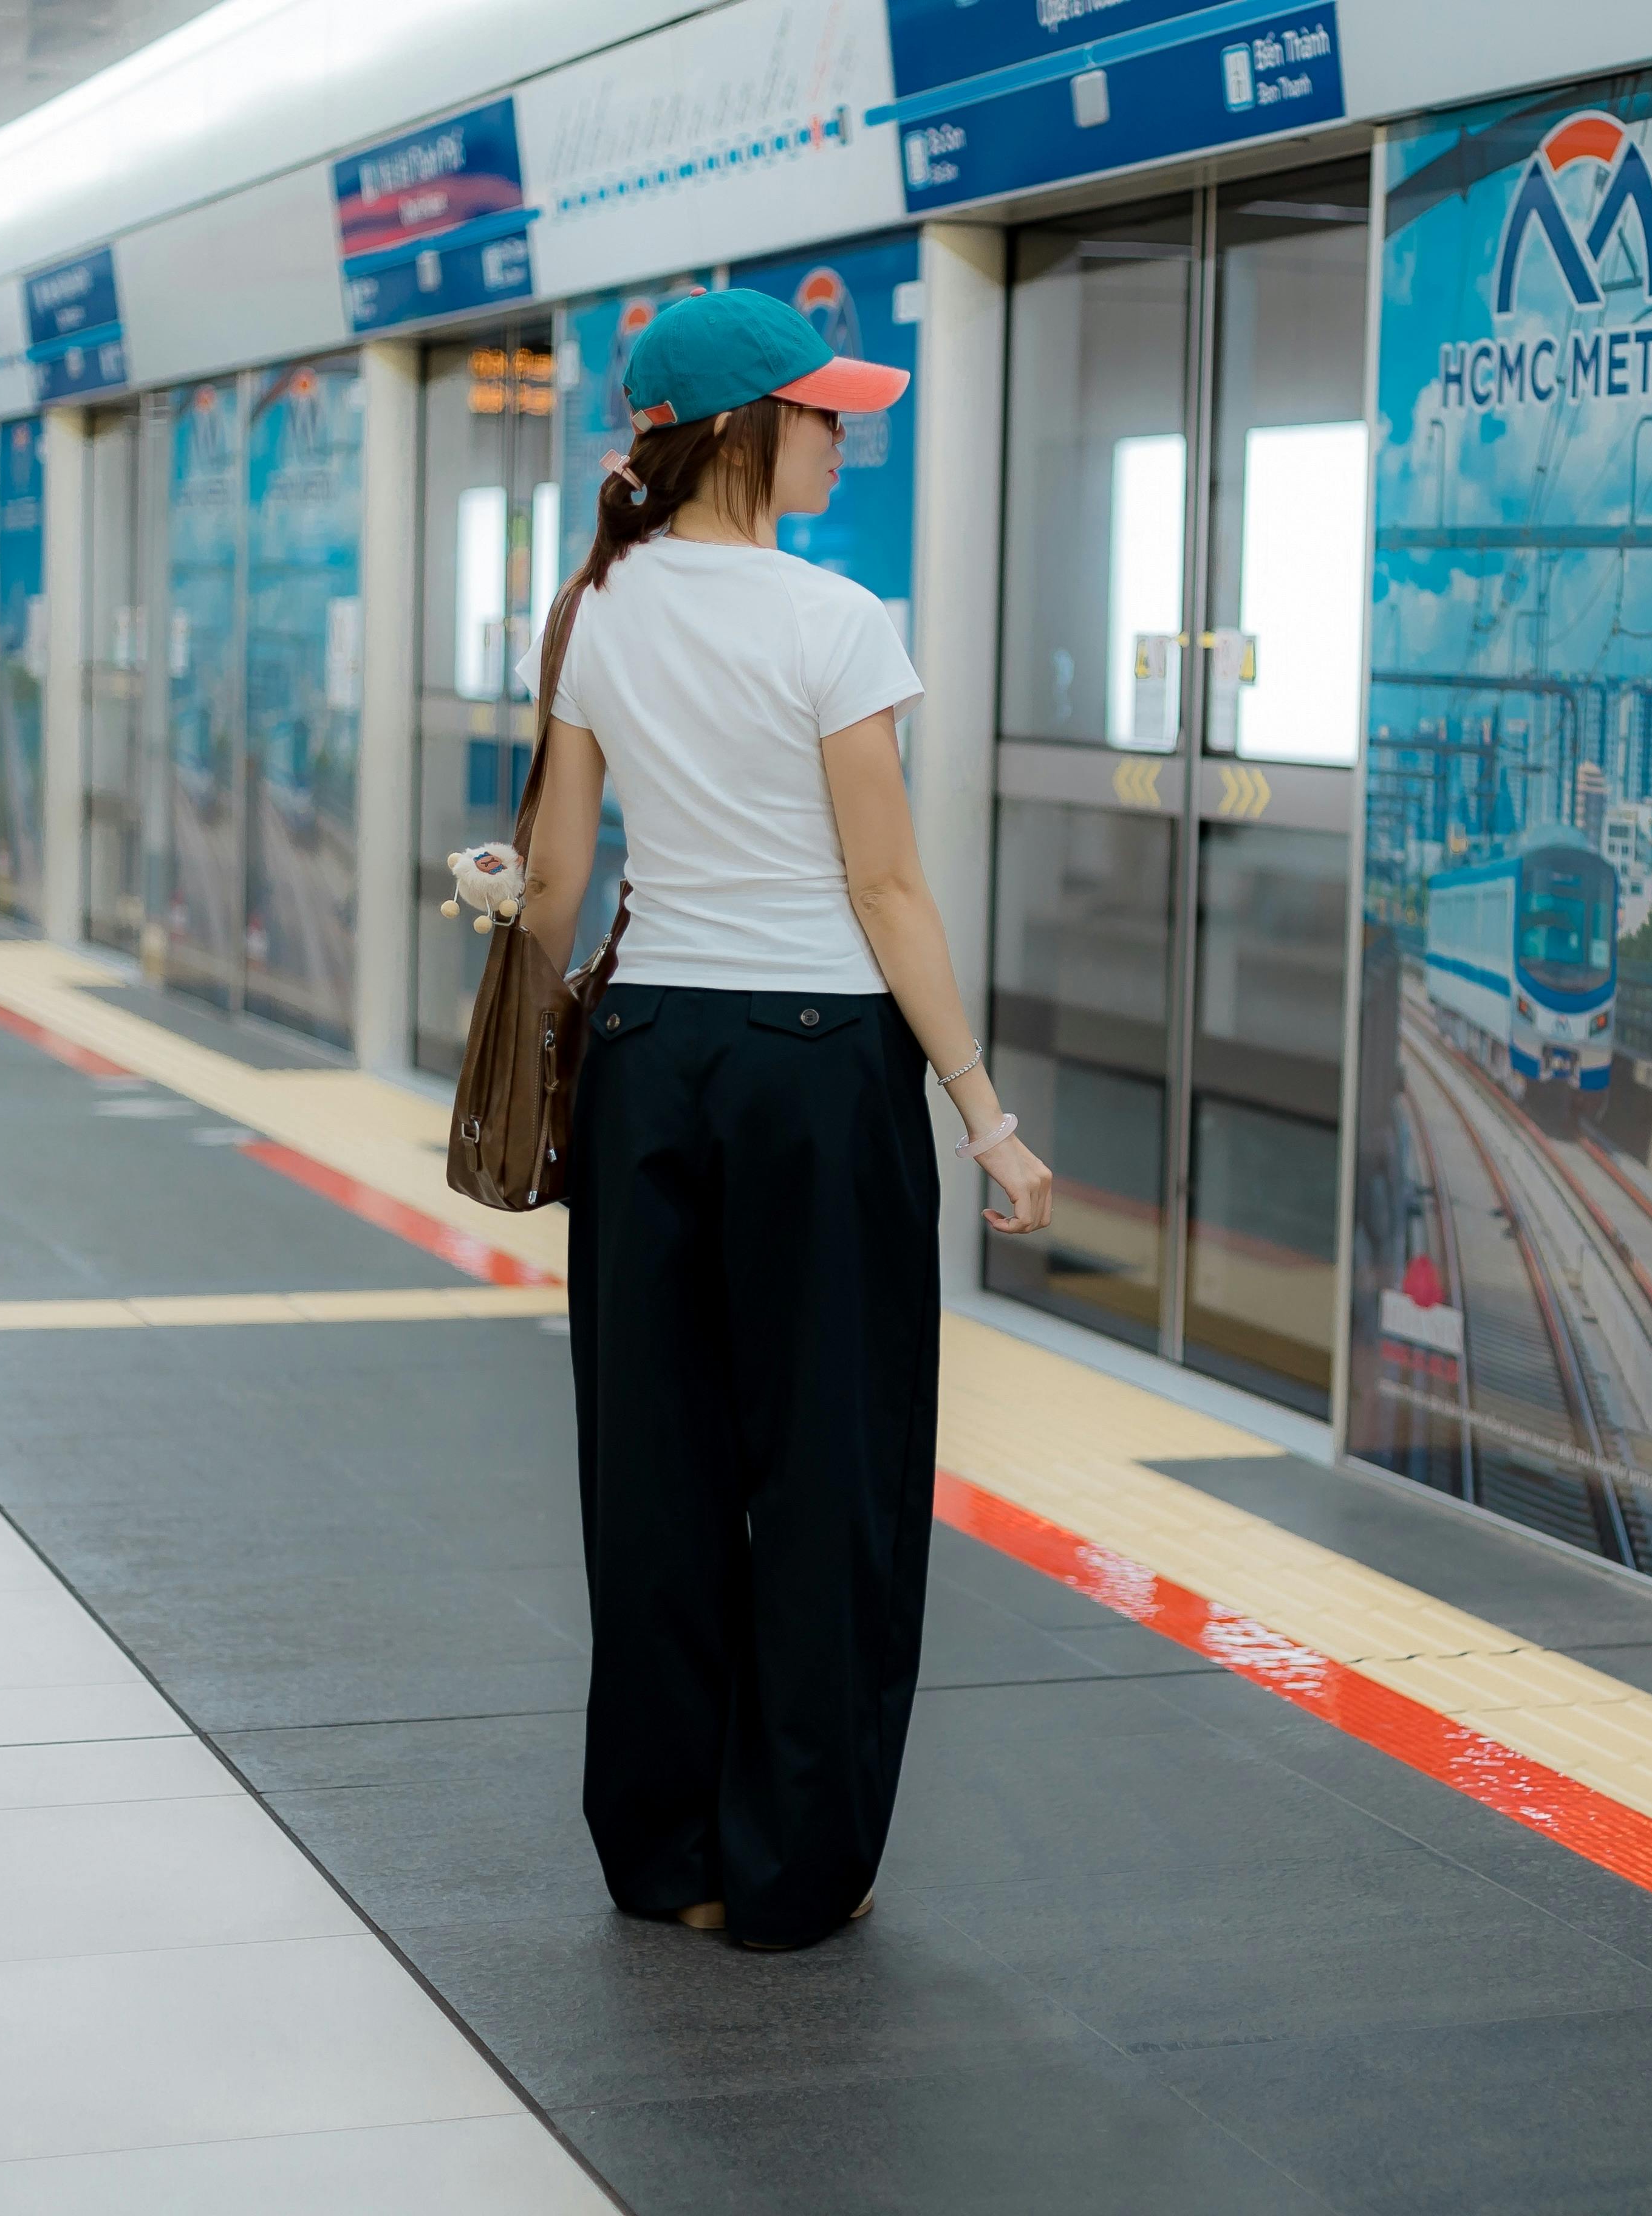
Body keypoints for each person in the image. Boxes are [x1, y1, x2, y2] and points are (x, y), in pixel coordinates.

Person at [508, 288, 1052, 1952]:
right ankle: (792, 1866)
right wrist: (984, 1112)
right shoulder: (834, 618)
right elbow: (885, 887)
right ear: (749, 429)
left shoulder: (594, 612)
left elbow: (548, 887)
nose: (845, 434)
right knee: (827, 1469)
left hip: (654, 1063)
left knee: (654, 1466)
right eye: (824, 412)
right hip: (818, 1071)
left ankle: (663, 1852)